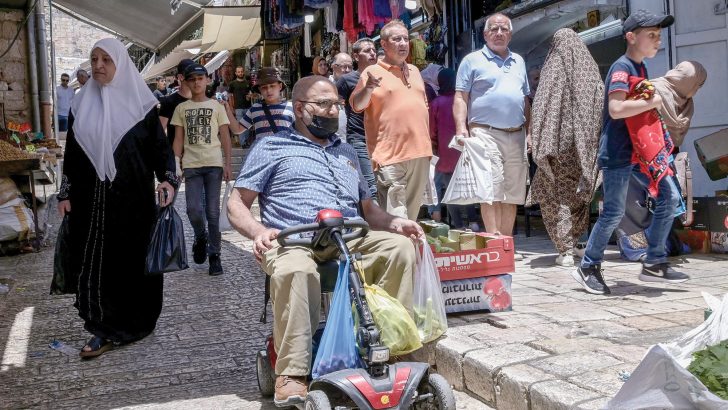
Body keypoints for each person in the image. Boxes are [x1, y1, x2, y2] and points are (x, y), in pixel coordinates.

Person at [227, 75, 422, 406]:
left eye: (337, 105)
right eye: (325, 105)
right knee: (296, 271)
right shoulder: (271, 146)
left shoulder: (346, 150)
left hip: (349, 233)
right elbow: (236, 204)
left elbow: (369, 209)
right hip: (293, 238)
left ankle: (389, 350)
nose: (333, 111)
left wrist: (395, 222)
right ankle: (293, 372)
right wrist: (260, 233)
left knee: (399, 248)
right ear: (300, 109)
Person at [56, 38, 177, 358]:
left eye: (105, 59)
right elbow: (72, 156)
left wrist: (168, 180)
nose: (97, 65)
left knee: (132, 263)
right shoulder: (81, 105)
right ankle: (102, 328)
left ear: (120, 64)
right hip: (91, 204)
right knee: (96, 263)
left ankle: (135, 322)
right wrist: (65, 193)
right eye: (93, 59)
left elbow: (160, 151)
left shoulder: (143, 105)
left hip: (133, 202)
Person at [572, 9, 689, 295]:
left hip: (641, 154)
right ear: (631, 36)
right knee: (612, 213)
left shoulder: (640, 68)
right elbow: (616, 109)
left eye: (659, 35)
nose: (657, 40)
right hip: (619, 153)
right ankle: (588, 265)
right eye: (651, 35)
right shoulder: (622, 68)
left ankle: (654, 260)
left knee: (670, 197)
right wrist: (654, 102)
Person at [528, 29, 603, 267]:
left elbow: (540, 108)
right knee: (579, 195)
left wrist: (540, 141)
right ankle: (573, 243)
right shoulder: (589, 70)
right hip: (584, 147)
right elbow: (598, 102)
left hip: (557, 147)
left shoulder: (551, 71)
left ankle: (565, 249)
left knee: (557, 195)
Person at [454, 13, 530, 237]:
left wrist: (531, 133)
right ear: (485, 34)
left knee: (512, 193)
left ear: (510, 34)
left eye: (504, 29)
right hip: (484, 132)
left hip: (516, 134)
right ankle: (494, 240)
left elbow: (525, 100)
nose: (499, 33)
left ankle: (505, 243)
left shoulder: (519, 61)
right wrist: (461, 128)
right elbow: (460, 97)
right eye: (494, 29)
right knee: (490, 188)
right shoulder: (472, 60)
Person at [351, 20, 433, 220]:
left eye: (405, 39)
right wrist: (369, 87)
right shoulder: (371, 73)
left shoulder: (414, 71)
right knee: (395, 219)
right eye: (397, 39)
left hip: (420, 153)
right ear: (385, 45)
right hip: (389, 156)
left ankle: (409, 252)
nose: (403, 43)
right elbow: (357, 105)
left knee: (411, 218)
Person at [171, 63, 232, 276]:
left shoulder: (216, 106)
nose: (197, 82)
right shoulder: (181, 108)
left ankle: (215, 255)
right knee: (193, 209)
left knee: (213, 212)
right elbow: (178, 138)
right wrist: (176, 163)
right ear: (186, 82)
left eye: (200, 78)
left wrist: (228, 164)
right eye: (192, 79)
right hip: (191, 165)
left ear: (207, 80)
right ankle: (200, 235)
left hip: (214, 164)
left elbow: (225, 136)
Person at [428, 68, 480, 230]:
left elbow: (431, 130)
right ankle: (473, 221)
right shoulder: (465, 100)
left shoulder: (436, 103)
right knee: (467, 186)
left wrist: (434, 147)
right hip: (464, 149)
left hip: (445, 153)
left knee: (450, 190)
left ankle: (458, 225)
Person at [337, 38, 378, 199]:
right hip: (359, 138)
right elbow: (334, 104)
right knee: (370, 185)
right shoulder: (347, 80)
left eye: (374, 50)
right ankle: (376, 222)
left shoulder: (385, 77)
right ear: (355, 56)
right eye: (367, 51)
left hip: (381, 138)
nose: (372, 53)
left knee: (383, 183)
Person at [225, 67, 294, 140]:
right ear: (259, 89)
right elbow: (237, 129)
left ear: (280, 86)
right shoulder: (255, 109)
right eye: (264, 87)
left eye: (272, 86)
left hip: (285, 151)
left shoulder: (291, 107)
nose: (269, 90)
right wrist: (227, 109)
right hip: (262, 151)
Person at [652, 60, 707, 147]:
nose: (696, 90)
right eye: (698, 86)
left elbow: (676, 141)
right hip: (641, 153)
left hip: (667, 154)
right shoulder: (654, 90)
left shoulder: (687, 103)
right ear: (691, 82)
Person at [159, 59, 195, 146]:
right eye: (191, 73)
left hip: (199, 155)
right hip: (176, 154)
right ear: (181, 77)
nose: (194, 77)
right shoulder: (168, 101)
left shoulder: (201, 100)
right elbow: (159, 131)